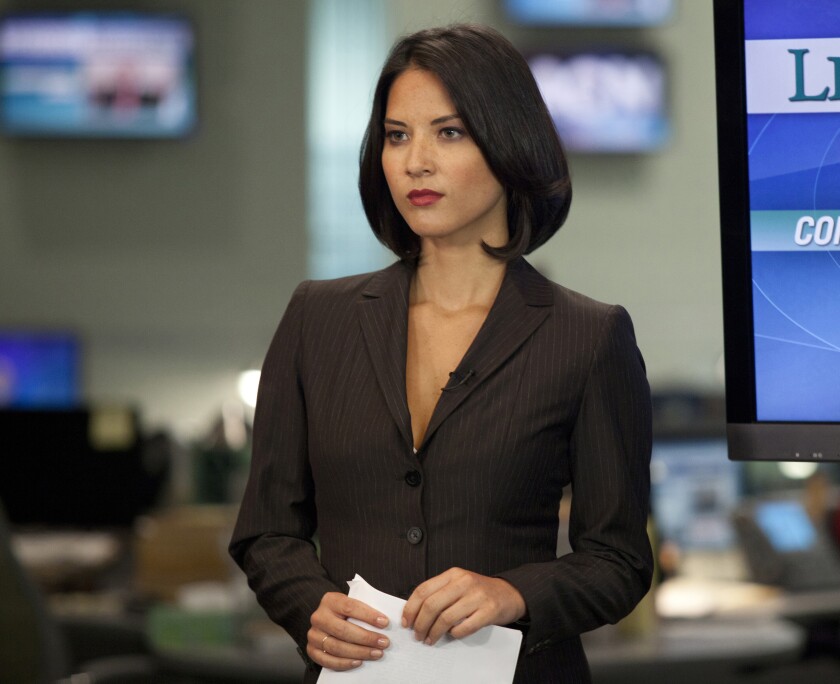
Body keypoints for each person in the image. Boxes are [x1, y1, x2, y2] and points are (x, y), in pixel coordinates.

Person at [230, 23, 653, 684]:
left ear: (511, 143)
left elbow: (618, 560)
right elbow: (266, 530)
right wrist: (309, 606)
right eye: (397, 135)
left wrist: (513, 594)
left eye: (448, 132)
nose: (414, 161)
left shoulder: (588, 336)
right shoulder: (318, 317)